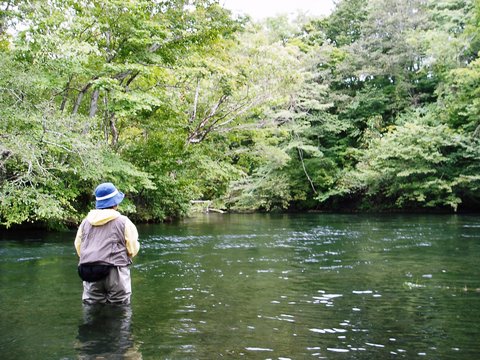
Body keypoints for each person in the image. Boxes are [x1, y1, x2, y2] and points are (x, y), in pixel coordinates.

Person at [74, 182, 139, 305]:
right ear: (115, 204)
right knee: (119, 309)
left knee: (92, 309)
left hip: (90, 271)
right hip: (116, 272)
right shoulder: (124, 222)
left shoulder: (85, 222)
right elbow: (132, 249)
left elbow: (79, 247)